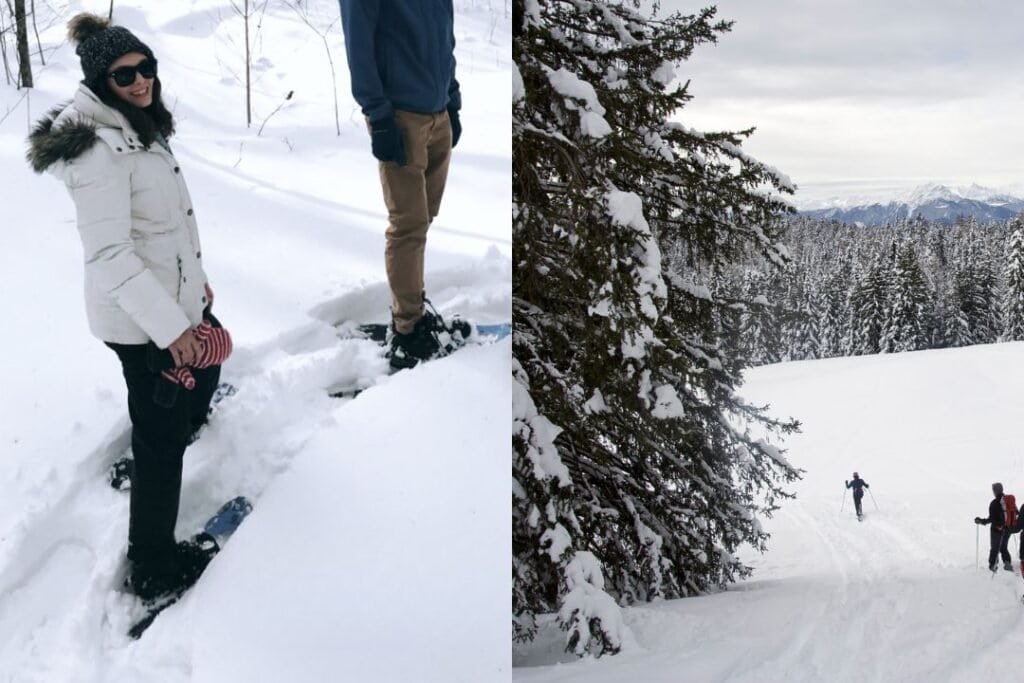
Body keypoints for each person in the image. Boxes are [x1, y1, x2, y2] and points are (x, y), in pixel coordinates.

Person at [27, 13, 225, 602]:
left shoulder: (137, 123)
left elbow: (169, 224)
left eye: (146, 69)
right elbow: (111, 254)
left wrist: (199, 285)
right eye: (124, 75)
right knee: (161, 441)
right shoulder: (96, 150)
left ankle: (177, 423)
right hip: (140, 320)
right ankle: (153, 568)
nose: (141, 81)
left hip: (173, 295)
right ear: (99, 80)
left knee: (208, 363)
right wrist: (170, 331)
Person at [339, 0, 470, 369]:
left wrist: (452, 99)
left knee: (424, 217)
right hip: (400, 116)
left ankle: (410, 308)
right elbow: (359, 46)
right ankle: (408, 331)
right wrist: (378, 117)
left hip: (437, 111)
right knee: (408, 225)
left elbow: (445, 35)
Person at [975, 482, 1013, 572]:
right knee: (1003, 547)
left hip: (996, 530)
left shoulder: (994, 503)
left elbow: (991, 519)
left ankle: (993, 565)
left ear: (995, 491)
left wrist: (981, 521)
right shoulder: (1009, 500)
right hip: (1008, 529)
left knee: (995, 548)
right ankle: (1007, 562)